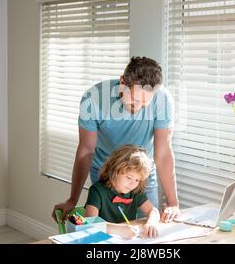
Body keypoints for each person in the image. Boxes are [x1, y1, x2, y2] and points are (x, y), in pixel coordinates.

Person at [52, 56, 180, 224]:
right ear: (122, 82)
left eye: (145, 103)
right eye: (134, 99)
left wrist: (173, 203)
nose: (138, 106)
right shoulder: (93, 99)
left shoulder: (162, 99)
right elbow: (86, 150)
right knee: (104, 233)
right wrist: (72, 199)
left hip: (141, 175)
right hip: (106, 176)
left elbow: (162, 154)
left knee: (149, 229)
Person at [84, 145, 159, 239]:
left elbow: (153, 211)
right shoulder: (97, 191)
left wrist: (151, 223)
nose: (132, 184)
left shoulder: (135, 191)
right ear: (114, 170)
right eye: (129, 177)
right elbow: (90, 223)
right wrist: (119, 229)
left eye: (137, 180)